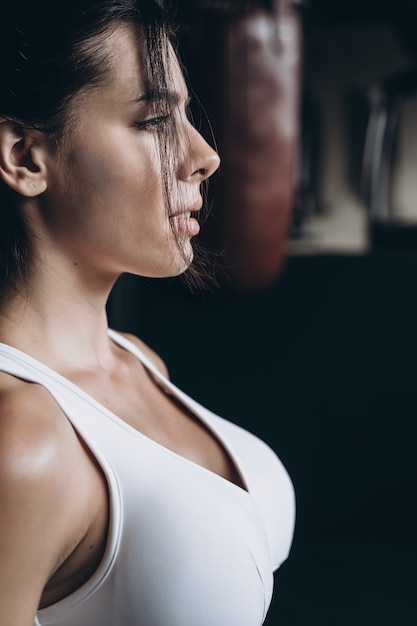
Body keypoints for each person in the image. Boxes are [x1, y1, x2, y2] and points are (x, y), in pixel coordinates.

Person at [0, 1, 295, 625]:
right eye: (154, 119)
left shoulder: (136, 360)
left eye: (186, 114)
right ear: (25, 156)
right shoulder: (19, 439)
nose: (202, 154)